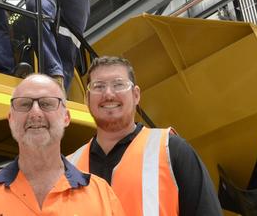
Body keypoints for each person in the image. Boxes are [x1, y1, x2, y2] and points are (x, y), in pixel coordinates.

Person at [69, 56, 223, 215]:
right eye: (98, 86)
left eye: (118, 85)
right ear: (86, 99)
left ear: (136, 95)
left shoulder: (172, 151)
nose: (108, 94)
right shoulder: (67, 168)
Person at [0, 74, 125, 215]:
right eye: (24, 104)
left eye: (46, 103)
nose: (35, 112)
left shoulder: (102, 196)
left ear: (66, 117)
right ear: (11, 119)